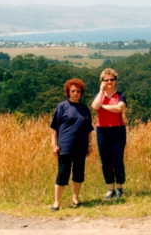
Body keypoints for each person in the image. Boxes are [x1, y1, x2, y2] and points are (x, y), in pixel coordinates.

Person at [50, 78, 94, 211]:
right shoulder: (62, 107)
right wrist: (54, 144)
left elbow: (89, 128)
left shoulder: (84, 108)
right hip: (65, 146)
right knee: (62, 174)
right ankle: (56, 202)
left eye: (78, 91)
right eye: (73, 91)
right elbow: (54, 128)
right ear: (68, 92)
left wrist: (90, 144)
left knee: (78, 173)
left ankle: (75, 198)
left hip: (81, 146)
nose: (76, 93)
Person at [91, 68, 127, 200]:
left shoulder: (120, 95)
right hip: (102, 130)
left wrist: (103, 107)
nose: (109, 82)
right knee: (105, 161)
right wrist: (101, 91)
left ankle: (119, 187)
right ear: (102, 81)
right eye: (106, 80)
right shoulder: (99, 95)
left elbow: (119, 108)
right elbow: (95, 106)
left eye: (112, 79)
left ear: (116, 81)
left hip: (118, 130)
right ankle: (110, 189)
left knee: (117, 159)